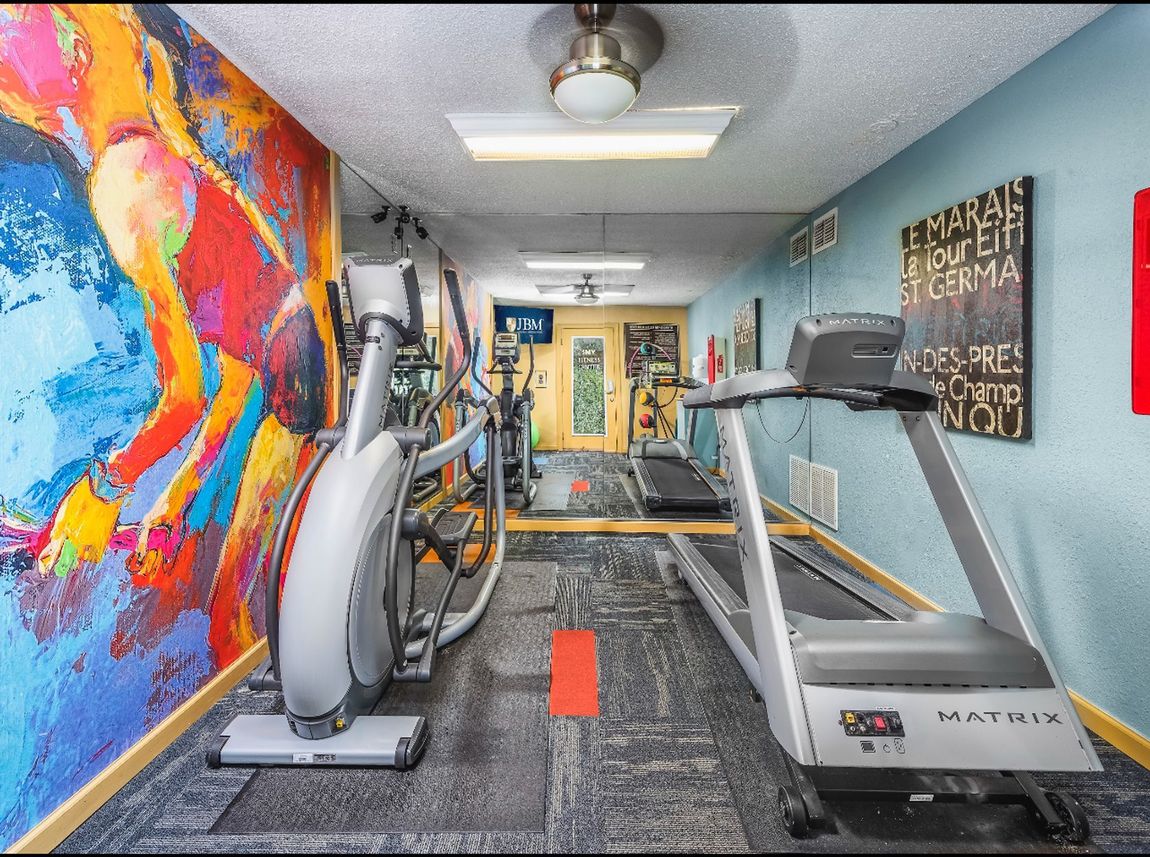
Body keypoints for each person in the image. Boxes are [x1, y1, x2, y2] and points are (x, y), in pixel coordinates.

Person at [0, 4, 333, 662]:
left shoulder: (125, 182)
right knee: (245, 626)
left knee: (241, 630)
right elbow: (240, 361)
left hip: (292, 396)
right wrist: (179, 494)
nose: (12, 101)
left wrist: (106, 486)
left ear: (70, 49)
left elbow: (184, 393)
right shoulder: (160, 151)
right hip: (293, 378)